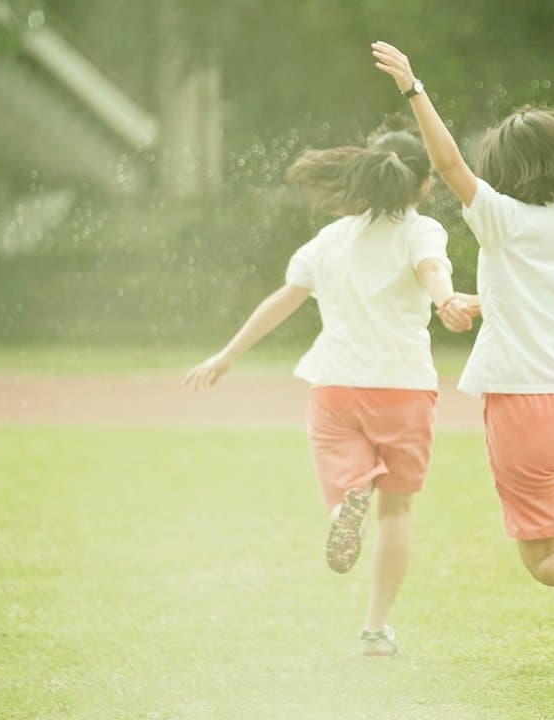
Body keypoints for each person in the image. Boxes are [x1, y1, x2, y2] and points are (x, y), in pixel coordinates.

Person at [372, 41, 554, 680]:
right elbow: (537, 294)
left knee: (544, 560)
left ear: (508, 167)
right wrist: (482, 303)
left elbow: (447, 164)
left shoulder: (500, 218)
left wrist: (414, 89)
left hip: (528, 405)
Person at [183, 125, 473, 657]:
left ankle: (343, 511)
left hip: (336, 385)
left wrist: (226, 355)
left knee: (347, 487)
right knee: (396, 512)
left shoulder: (329, 239)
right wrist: (446, 300)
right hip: (404, 387)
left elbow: (283, 300)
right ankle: (375, 629)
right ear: (425, 184)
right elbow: (432, 269)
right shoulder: (421, 230)